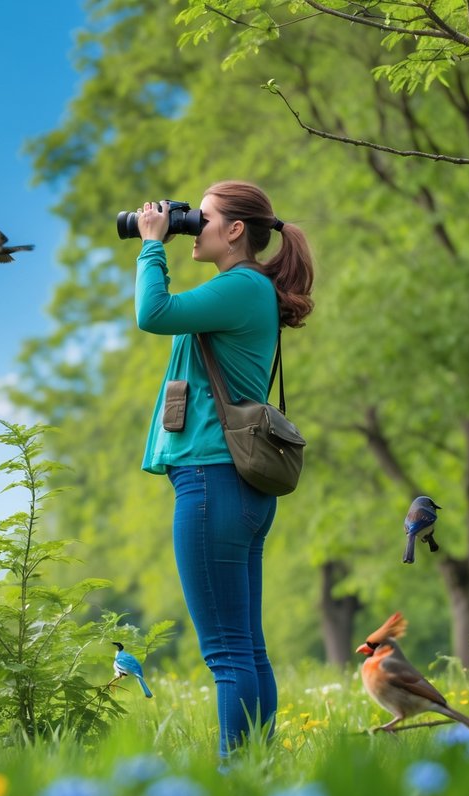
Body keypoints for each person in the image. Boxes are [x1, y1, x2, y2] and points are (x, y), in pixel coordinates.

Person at [135, 181, 314, 759]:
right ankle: (257, 769)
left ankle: (237, 778)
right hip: (235, 488)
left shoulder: (241, 286)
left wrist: (152, 244)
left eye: (201, 218)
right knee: (247, 649)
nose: (191, 224)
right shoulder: (244, 289)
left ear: (235, 231)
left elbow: (152, 312)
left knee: (228, 654)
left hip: (212, 484)